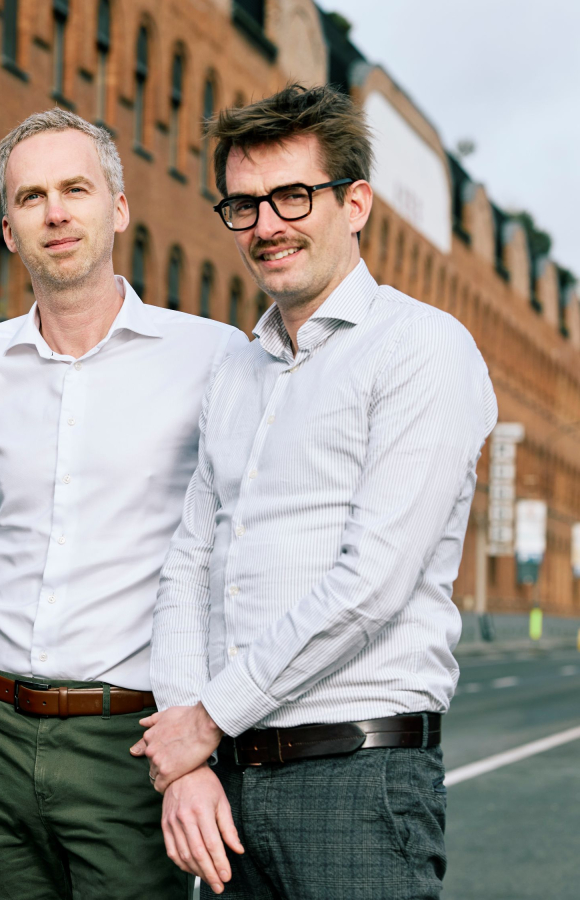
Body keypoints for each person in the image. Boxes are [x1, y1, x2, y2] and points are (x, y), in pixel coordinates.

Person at [135, 84, 497, 899]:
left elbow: (371, 583)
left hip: (358, 785)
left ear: (356, 202)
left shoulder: (421, 349)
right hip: (228, 785)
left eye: (293, 196)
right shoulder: (235, 369)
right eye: (244, 204)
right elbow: (189, 564)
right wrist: (188, 763)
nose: (267, 226)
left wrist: (204, 718)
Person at [0, 108, 245, 900]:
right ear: (9, 229)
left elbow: (231, 553)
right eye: (32, 197)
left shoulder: (213, 357)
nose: (57, 212)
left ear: (120, 206)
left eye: (76, 188)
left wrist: (199, 729)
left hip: (130, 739)